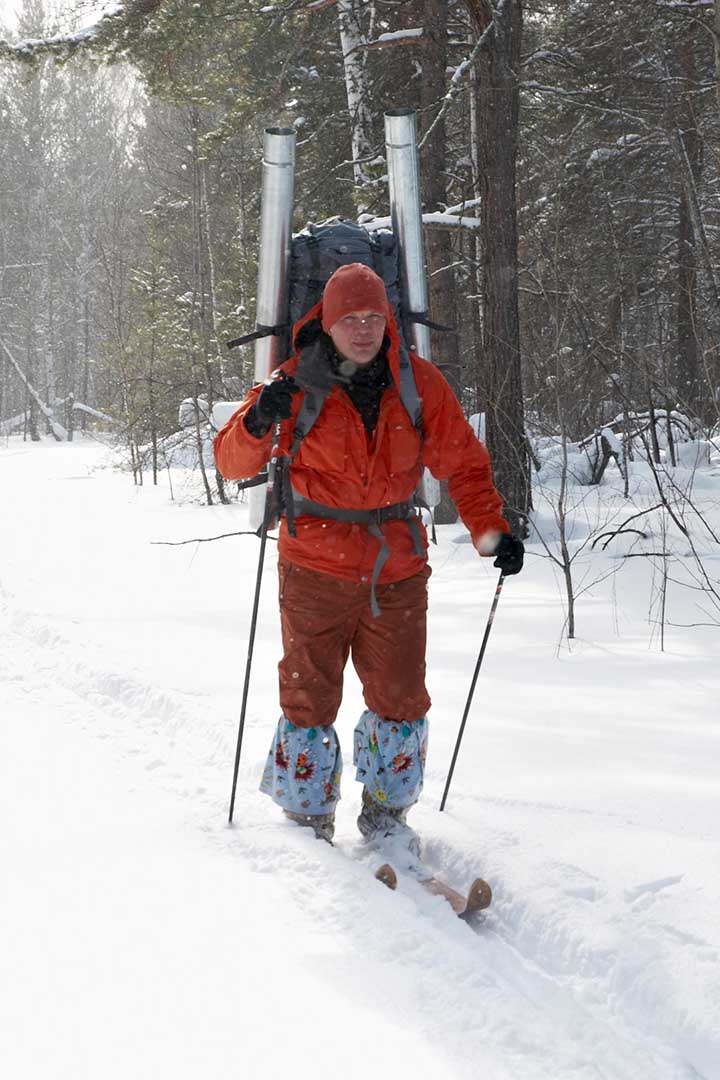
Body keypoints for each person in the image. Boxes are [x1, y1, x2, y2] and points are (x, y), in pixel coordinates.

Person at [214, 263, 524, 847]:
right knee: (308, 695)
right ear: (327, 323)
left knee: (401, 698)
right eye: (350, 319)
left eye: (373, 318)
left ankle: (387, 819)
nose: (363, 330)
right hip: (314, 567)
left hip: (396, 571)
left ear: (388, 321)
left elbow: (463, 463)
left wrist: (491, 533)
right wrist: (259, 419)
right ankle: (306, 819)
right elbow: (231, 462)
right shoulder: (291, 382)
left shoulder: (419, 383)